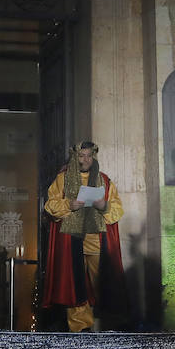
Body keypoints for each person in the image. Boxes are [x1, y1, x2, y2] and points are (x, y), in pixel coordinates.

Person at [41, 142, 127, 332]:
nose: (85, 159)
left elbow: (117, 210)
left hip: (97, 240)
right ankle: (81, 328)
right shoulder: (62, 179)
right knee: (75, 283)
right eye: (81, 156)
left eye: (89, 156)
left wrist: (104, 206)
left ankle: (108, 325)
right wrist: (68, 205)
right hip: (72, 240)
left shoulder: (104, 180)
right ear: (75, 157)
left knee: (104, 283)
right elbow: (50, 205)